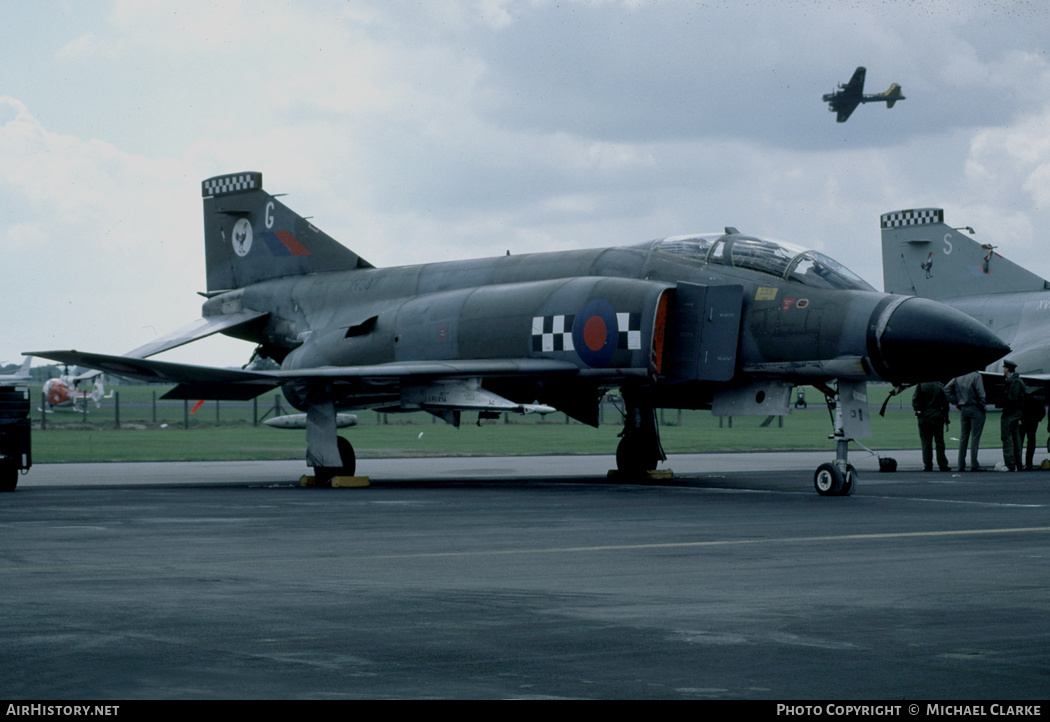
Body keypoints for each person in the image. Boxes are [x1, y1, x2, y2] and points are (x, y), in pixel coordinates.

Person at [945, 371, 987, 472]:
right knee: (975, 437)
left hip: (964, 408)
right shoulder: (976, 376)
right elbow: (981, 392)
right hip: (975, 407)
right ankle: (974, 464)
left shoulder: (958, 376)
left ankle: (961, 464)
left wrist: (955, 401)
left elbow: (947, 389)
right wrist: (983, 405)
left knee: (963, 437)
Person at [913, 381, 951, 471]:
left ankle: (927, 464)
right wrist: (946, 417)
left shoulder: (920, 386)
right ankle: (942, 464)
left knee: (926, 442)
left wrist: (919, 410)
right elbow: (945, 403)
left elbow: (915, 401)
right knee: (939, 442)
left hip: (924, 417)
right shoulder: (939, 386)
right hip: (937, 416)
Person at [1000, 360, 1026, 471]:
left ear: (1007, 369)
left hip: (1010, 413)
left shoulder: (1014, 382)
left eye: (1004, 368)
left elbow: (1012, 398)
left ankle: (1010, 462)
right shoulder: (1015, 380)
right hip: (1015, 413)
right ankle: (1018, 462)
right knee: (1016, 437)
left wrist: (1003, 403)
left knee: (1007, 437)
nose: (1003, 370)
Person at [1020, 393, 1045, 470]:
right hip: (1033, 422)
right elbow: (1042, 412)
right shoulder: (1036, 400)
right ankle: (1029, 463)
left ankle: (1018, 463)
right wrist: (1038, 419)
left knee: (1020, 442)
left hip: (1023, 422)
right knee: (1031, 441)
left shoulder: (1022, 400)